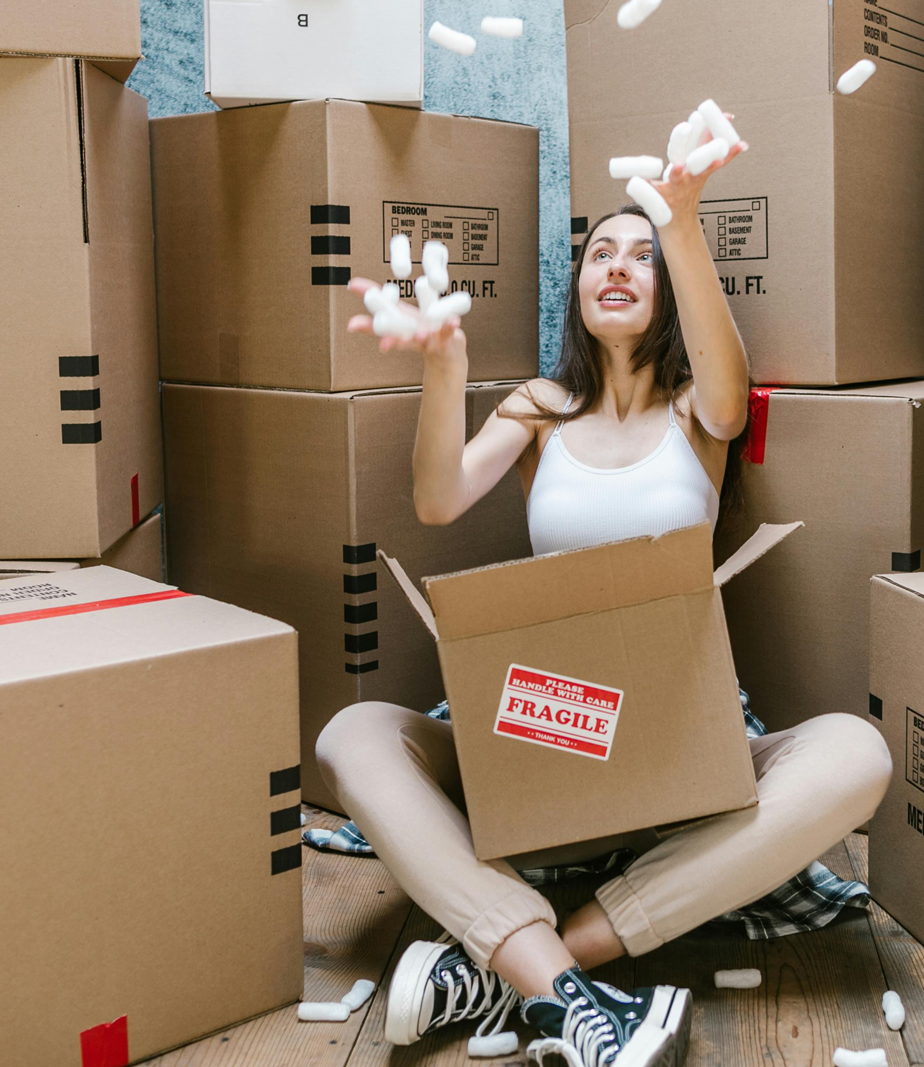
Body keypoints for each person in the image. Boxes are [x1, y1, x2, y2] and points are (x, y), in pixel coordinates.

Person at [314, 125, 892, 1067]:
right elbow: (437, 498)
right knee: (352, 737)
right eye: (597, 253)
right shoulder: (539, 408)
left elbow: (731, 396)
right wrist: (445, 362)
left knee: (856, 751)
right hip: (538, 731)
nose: (616, 267)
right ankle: (577, 994)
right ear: (575, 286)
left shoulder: (696, 413)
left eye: (641, 255)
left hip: (675, 738)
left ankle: (539, 964)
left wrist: (687, 223)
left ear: (666, 289)